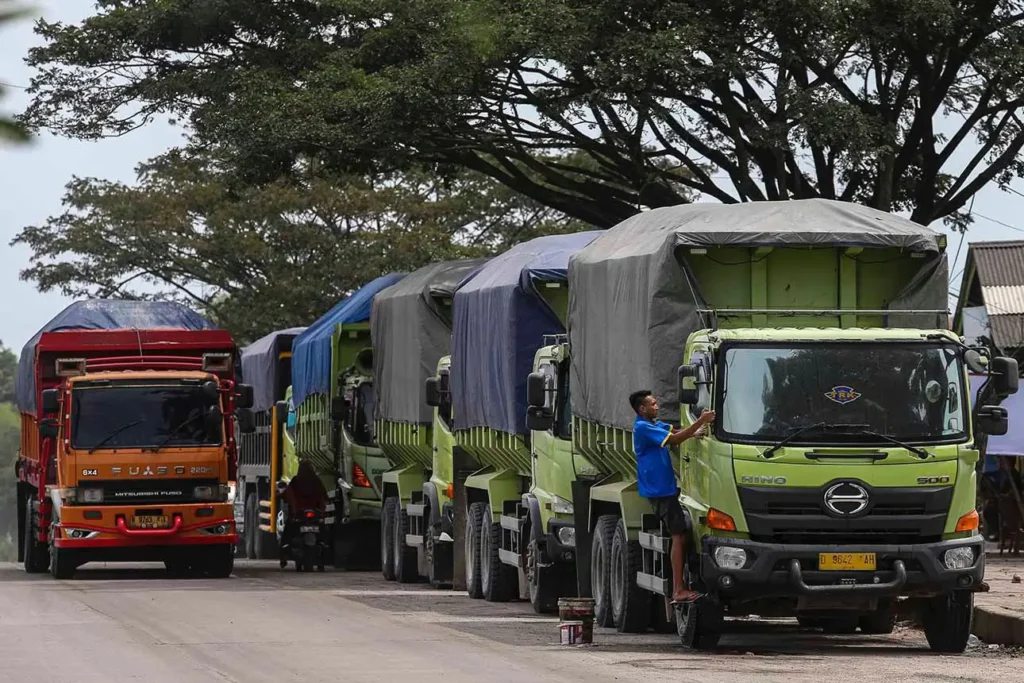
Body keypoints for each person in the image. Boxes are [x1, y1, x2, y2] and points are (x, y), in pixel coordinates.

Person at [630, 389, 715, 604]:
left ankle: (679, 586)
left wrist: (696, 430)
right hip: (660, 492)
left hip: (665, 489)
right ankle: (678, 589)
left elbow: (673, 431)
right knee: (679, 536)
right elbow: (675, 438)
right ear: (642, 408)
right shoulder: (642, 428)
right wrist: (702, 421)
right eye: (653, 404)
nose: (657, 406)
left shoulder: (652, 425)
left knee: (681, 534)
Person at [279, 459, 329, 565]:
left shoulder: (296, 480)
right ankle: (324, 557)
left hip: (299, 513)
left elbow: (288, 494)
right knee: (324, 532)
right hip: (315, 514)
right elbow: (324, 495)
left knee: (287, 533)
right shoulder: (316, 480)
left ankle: (283, 557)